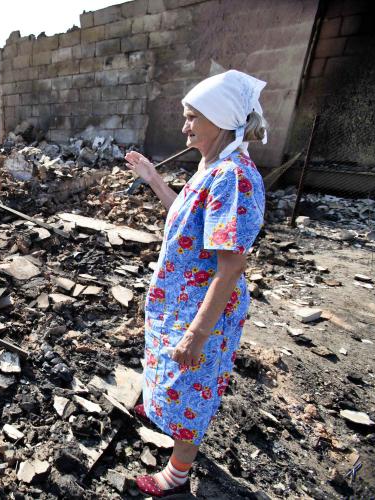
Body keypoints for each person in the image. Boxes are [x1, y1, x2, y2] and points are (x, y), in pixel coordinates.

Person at [124, 70, 268, 497]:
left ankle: (177, 475)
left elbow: (230, 267)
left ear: (220, 121)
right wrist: (153, 178)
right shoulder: (212, 167)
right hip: (179, 299)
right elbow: (186, 223)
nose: (184, 126)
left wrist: (197, 333)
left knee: (192, 386)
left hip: (202, 308)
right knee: (171, 371)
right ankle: (160, 406)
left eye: (192, 117)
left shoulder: (234, 179)